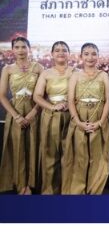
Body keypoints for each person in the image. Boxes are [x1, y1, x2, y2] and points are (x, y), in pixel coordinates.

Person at [62, 43, 109, 195]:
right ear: (81, 56)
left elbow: (108, 100)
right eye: (86, 54)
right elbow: (71, 100)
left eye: (93, 54)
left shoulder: (104, 75)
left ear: (98, 56)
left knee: (98, 156)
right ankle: (77, 192)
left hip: (99, 117)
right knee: (79, 156)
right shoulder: (75, 75)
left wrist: (100, 122)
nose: (90, 57)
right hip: (79, 116)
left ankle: (94, 191)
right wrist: (78, 122)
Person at [0, 37, 42, 195]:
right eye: (16, 47)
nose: (20, 50)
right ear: (12, 49)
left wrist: (32, 113)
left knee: (33, 147)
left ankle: (30, 184)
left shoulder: (39, 68)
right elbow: (2, 95)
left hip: (34, 112)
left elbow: (43, 94)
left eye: (23, 47)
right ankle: (20, 184)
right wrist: (16, 116)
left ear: (29, 49)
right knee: (17, 148)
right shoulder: (8, 69)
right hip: (15, 112)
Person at [33, 41, 73, 194]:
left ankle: (68, 191)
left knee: (69, 155)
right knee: (49, 155)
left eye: (64, 50)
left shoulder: (76, 72)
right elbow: (37, 96)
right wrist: (52, 107)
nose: (61, 53)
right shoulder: (46, 73)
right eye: (57, 50)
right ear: (52, 54)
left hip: (71, 117)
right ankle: (49, 191)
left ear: (69, 53)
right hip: (50, 117)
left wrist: (70, 104)